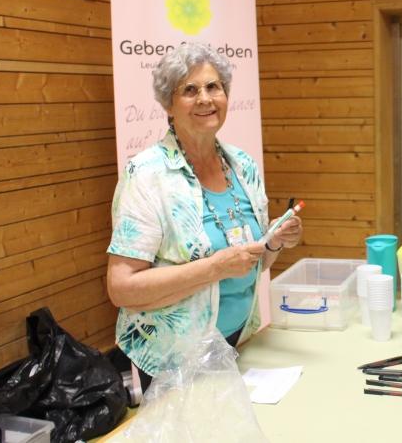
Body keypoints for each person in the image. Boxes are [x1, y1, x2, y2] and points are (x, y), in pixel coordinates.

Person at [106, 43, 302, 389]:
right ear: (168, 105)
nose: (205, 99)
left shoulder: (243, 166)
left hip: (237, 340)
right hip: (174, 357)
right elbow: (122, 288)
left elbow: (255, 265)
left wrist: (275, 241)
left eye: (214, 87)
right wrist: (216, 267)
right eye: (190, 90)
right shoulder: (147, 175)